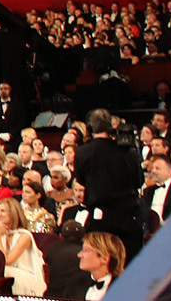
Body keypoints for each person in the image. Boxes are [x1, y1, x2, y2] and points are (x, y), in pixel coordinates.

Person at [74, 109, 145, 259]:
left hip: (101, 219)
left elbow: (80, 181)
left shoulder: (82, 152)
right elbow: (139, 181)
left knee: (104, 262)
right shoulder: (127, 151)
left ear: (90, 128)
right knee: (131, 263)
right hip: (128, 217)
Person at [0, 198, 45, 295]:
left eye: (3, 211)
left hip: (24, 275)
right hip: (7, 273)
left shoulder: (25, 236)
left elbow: (6, 261)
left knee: (2, 272)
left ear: (13, 213)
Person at [64, 232, 126, 300]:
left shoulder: (125, 288)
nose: (79, 255)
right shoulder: (74, 284)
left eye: (86, 250)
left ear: (104, 258)